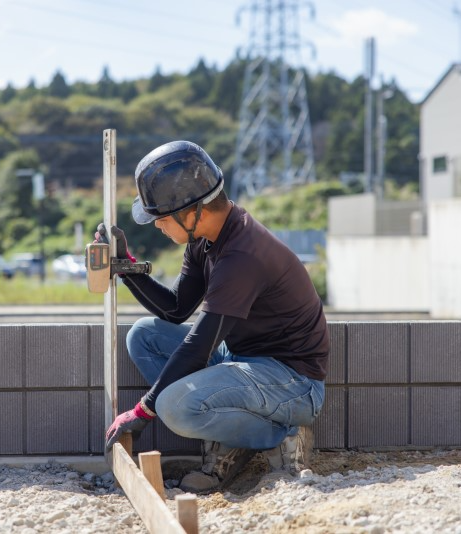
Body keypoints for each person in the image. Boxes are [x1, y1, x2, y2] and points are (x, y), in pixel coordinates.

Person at [100, 140, 329, 492]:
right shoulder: (205, 239)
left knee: (173, 408)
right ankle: (231, 435)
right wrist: (128, 267)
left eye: (161, 218)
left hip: (292, 381)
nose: (157, 226)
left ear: (192, 213)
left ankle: (281, 435)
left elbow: (198, 348)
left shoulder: (242, 256)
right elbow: (176, 309)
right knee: (144, 335)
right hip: (243, 360)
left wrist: (142, 411)